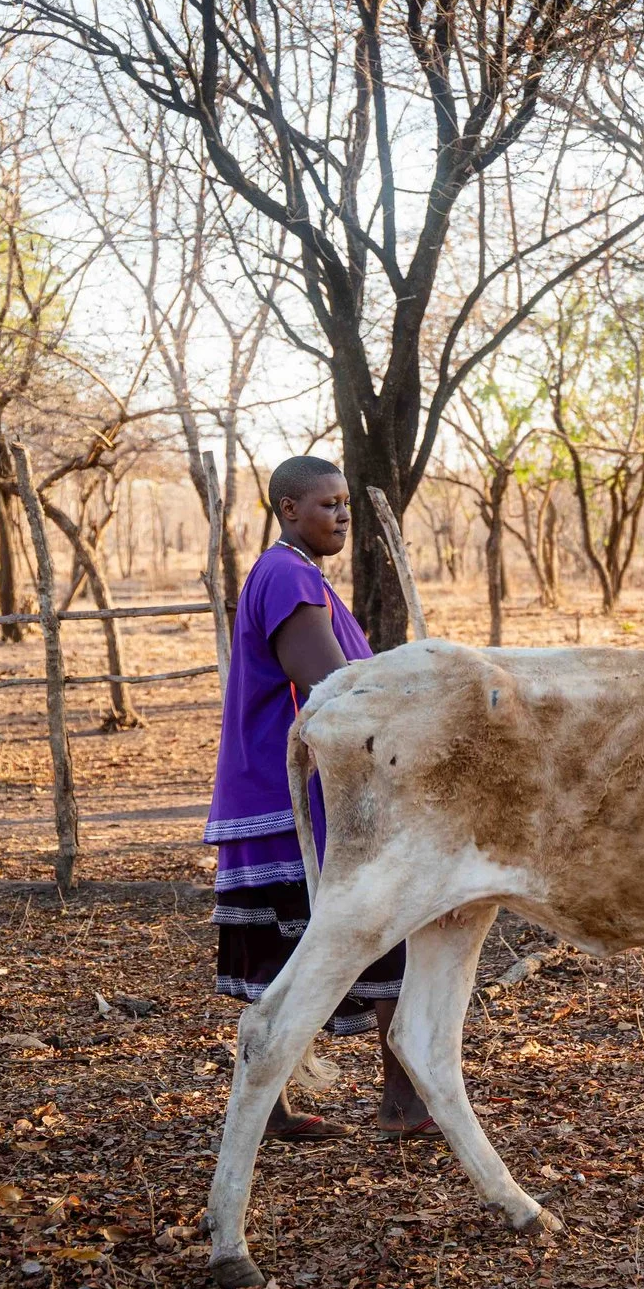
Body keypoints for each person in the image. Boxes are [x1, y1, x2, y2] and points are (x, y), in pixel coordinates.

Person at [204, 455, 434, 1142]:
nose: (340, 514)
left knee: (306, 948)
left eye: (345, 503)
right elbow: (333, 688)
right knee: (376, 932)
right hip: (296, 797)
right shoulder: (288, 577)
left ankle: (284, 1106)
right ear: (287, 509)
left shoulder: (294, 577)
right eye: (327, 503)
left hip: (291, 789)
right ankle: (402, 1101)